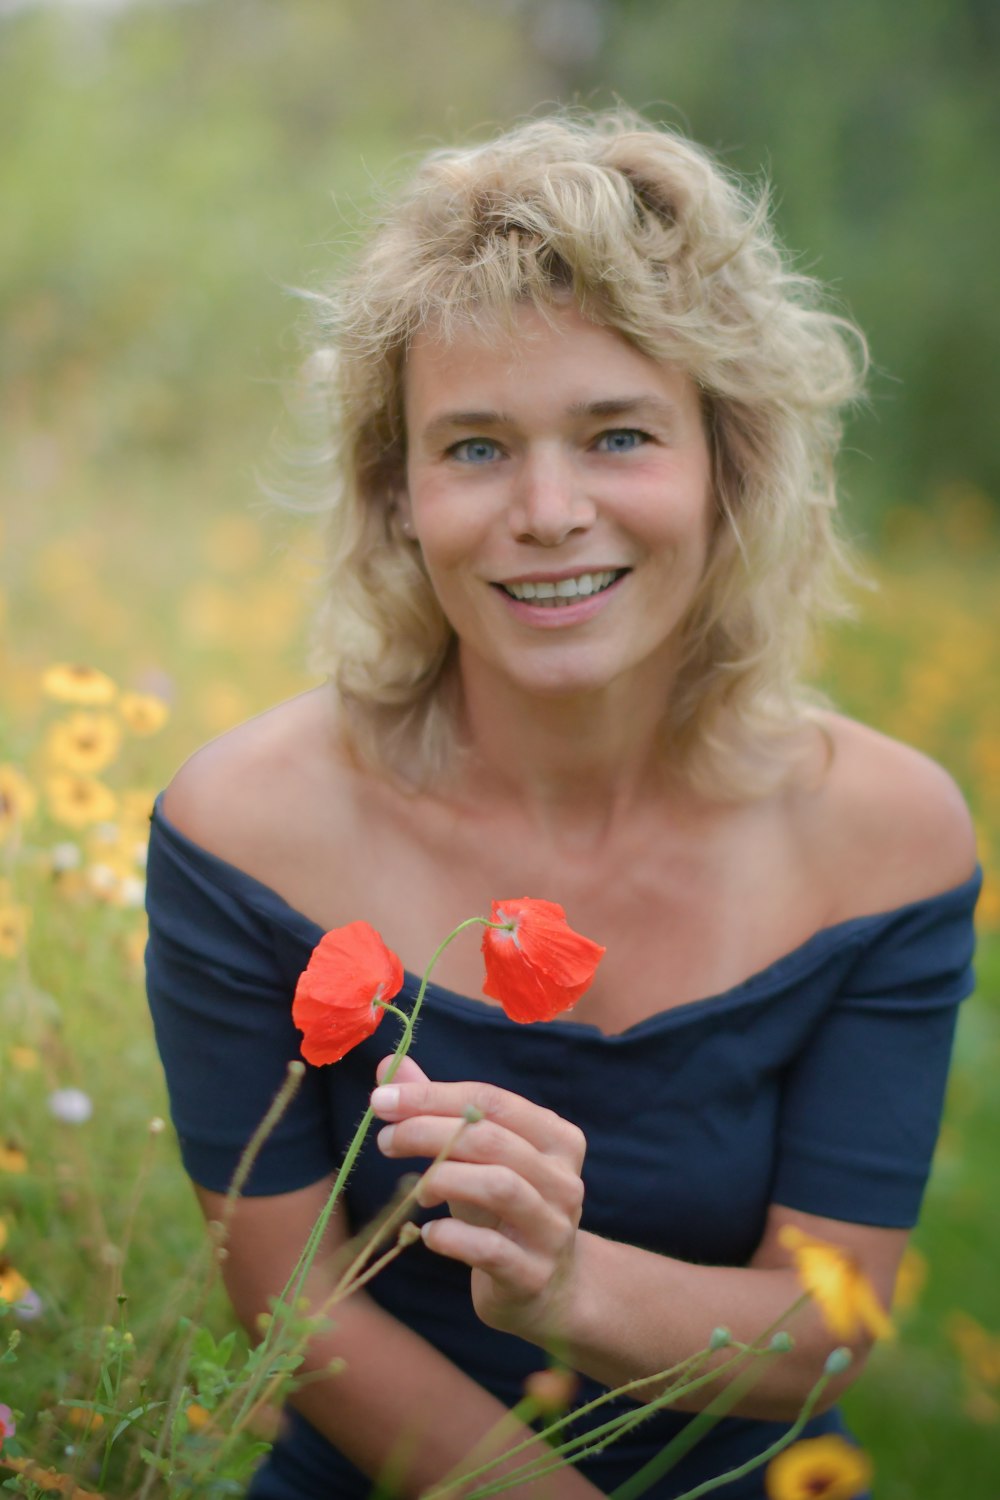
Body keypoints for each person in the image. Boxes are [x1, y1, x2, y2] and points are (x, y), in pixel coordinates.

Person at [145, 110, 980, 1499]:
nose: (547, 509)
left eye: (617, 436)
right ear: (397, 495)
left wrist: (566, 1286)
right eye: (473, 448)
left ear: (730, 466)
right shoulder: (249, 829)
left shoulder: (885, 836)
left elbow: (827, 1328)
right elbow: (298, 1311)